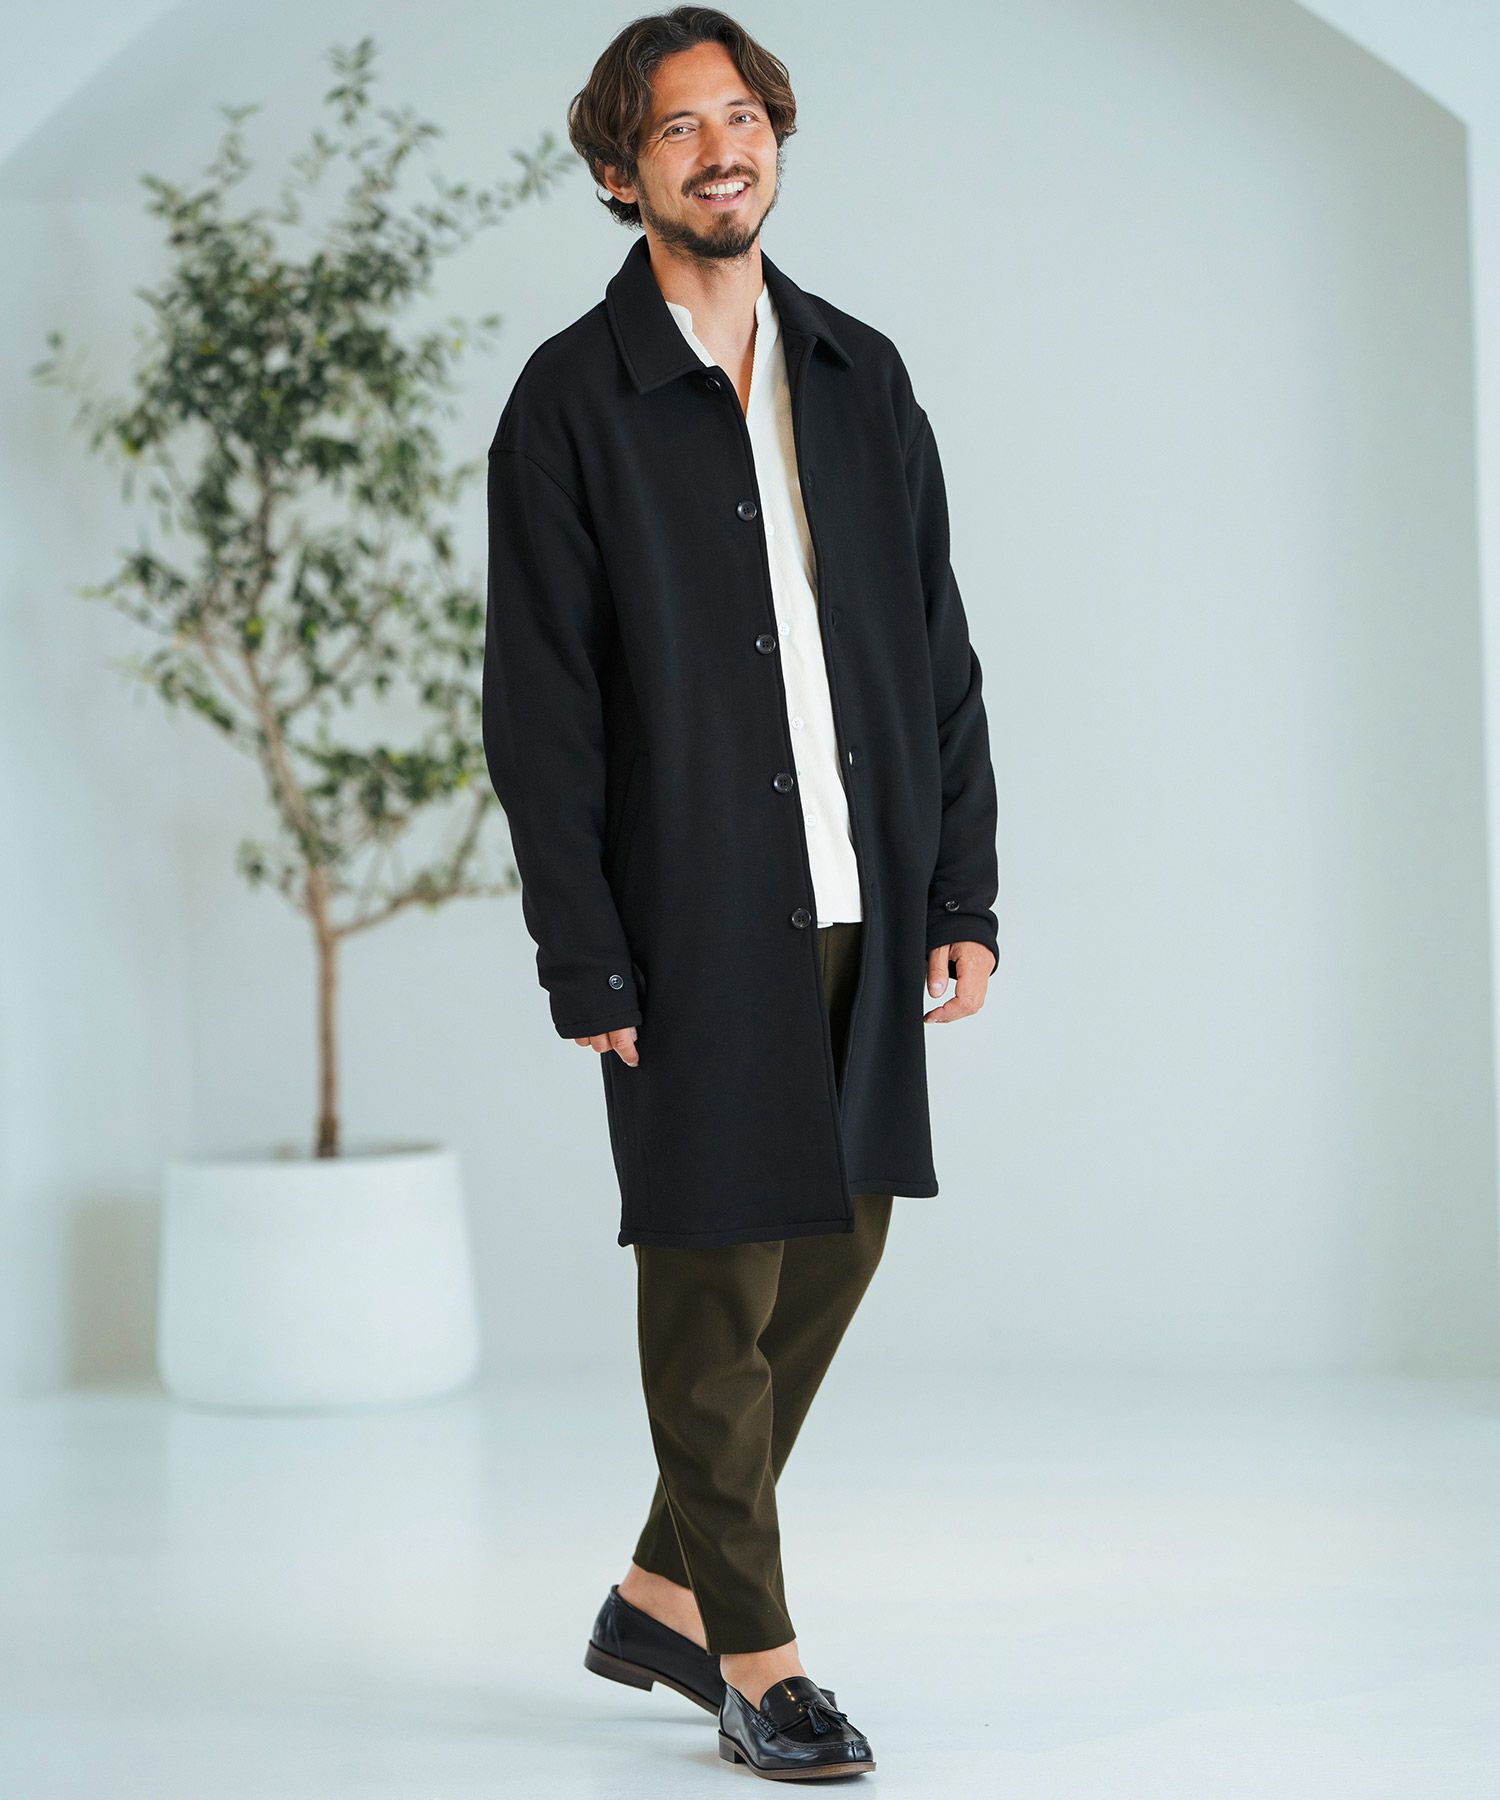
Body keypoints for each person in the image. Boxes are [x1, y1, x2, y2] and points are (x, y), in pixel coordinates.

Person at [483, 6, 999, 1781]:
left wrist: (965, 889)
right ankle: (757, 1665)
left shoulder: (861, 373)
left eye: (741, 115)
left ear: (775, 134)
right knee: (714, 1287)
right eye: (678, 128)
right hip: (689, 912)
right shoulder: (572, 401)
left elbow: (937, 645)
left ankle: (658, 1590)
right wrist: (584, 952)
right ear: (618, 172)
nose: (722, 149)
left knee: (833, 1255)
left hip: (869, 892)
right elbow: (538, 705)